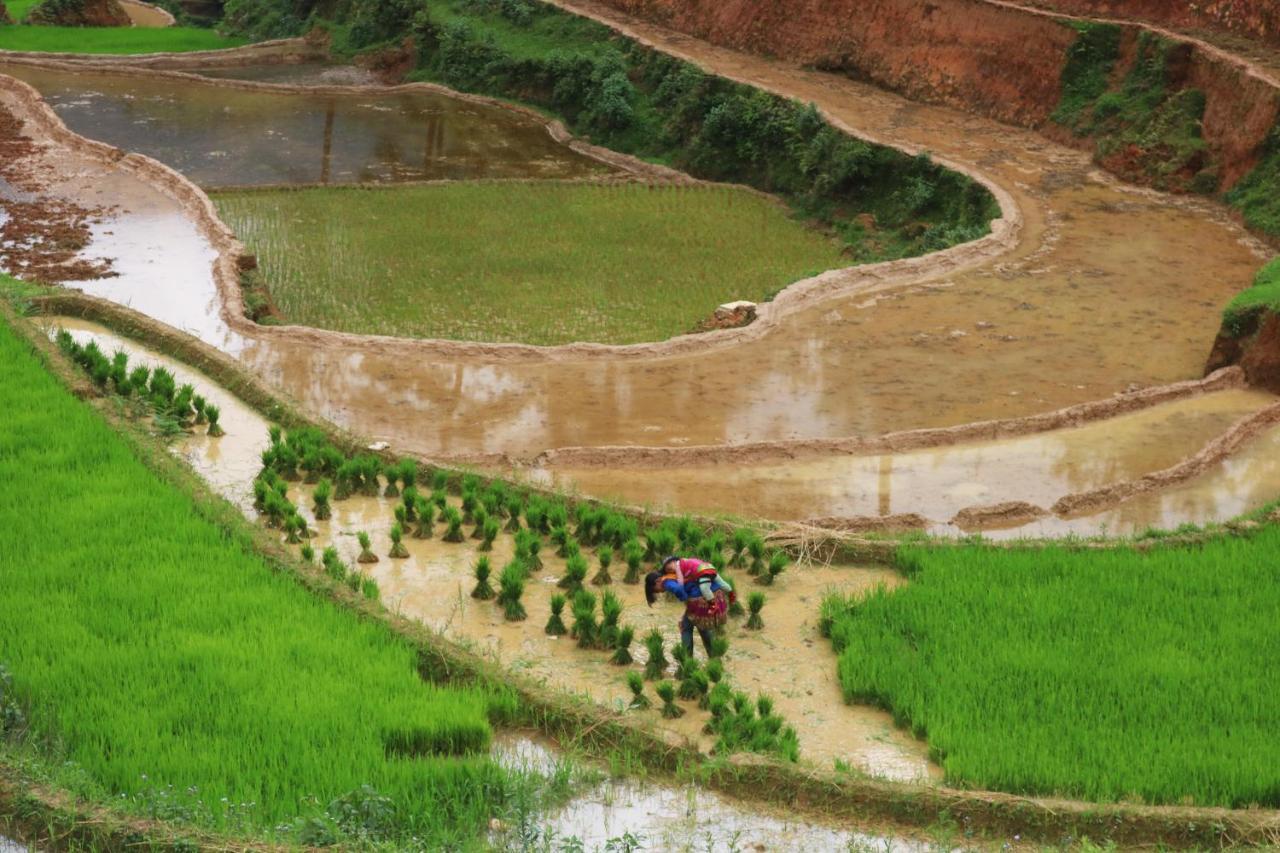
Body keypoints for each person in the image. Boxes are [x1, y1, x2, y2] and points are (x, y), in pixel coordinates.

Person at [645, 556, 734, 656]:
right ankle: (713, 658)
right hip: (713, 593)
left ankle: (688, 659)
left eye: (656, 590)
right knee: (697, 625)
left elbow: (679, 589)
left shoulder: (666, 581)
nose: (660, 592)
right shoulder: (675, 572)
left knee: (689, 626)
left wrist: (684, 597)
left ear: (657, 582)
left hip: (702, 600)